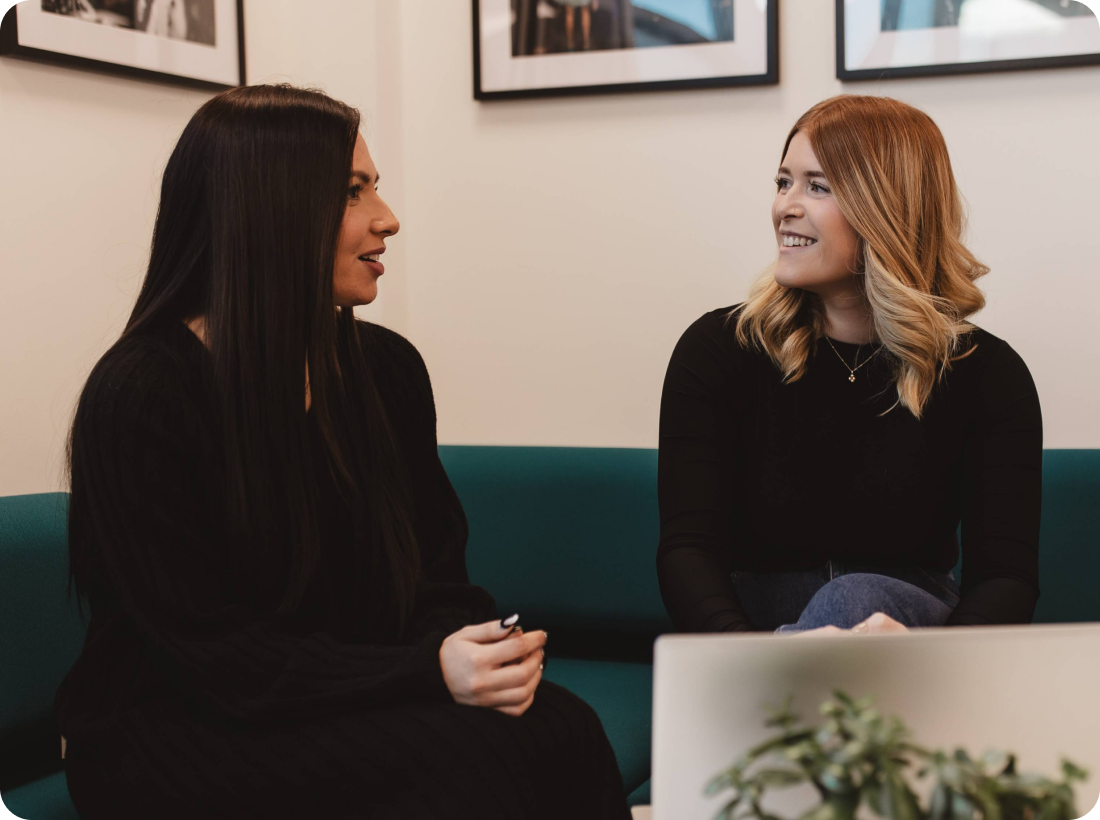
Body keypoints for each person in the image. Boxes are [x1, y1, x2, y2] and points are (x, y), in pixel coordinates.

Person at [56, 84, 630, 820]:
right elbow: (210, 654)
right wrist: (427, 670)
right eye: (354, 192)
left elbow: (435, 578)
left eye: (375, 189)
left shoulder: (385, 369)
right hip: (174, 725)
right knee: (472, 765)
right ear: (270, 211)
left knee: (562, 725)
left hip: (333, 694)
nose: (387, 220)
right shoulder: (142, 394)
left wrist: (481, 654)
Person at [656, 94, 1041, 637]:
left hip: (907, 633)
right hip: (755, 627)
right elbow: (687, 550)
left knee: (855, 598)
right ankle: (792, 704)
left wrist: (943, 658)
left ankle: (779, 716)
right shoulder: (718, 348)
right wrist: (742, 658)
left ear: (885, 207)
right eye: (783, 181)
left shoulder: (988, 374)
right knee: (825, 624)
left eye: (817, 186)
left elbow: (1006, 579)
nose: (786, 206)